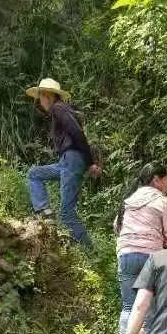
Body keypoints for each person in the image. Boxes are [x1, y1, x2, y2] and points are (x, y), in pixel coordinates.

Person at [25, 78, 101, 246]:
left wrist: (90, 163)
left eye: (41, 97)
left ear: (48, 95)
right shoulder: (59, 110)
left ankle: (92, 253)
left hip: (72, 160)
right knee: (34, 174)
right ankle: (45, 212)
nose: (40, 101)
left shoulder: (59, 108)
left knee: (67, 214)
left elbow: (78, 133)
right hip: (65, 162)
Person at [114, 163, 167, 334]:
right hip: (151, 257)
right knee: (149, 308)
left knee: (128, 306)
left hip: (126, 254)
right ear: (157, 179)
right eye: (166, 179)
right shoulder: (163, 202)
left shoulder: (127, 200)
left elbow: (117, 228)